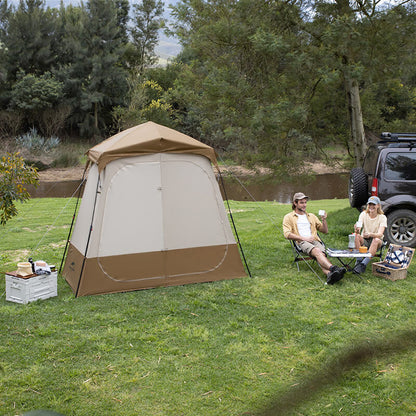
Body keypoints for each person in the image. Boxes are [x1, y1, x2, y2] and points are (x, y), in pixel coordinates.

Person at [283, 192, 346, 285]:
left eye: (305, 202)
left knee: (320, 255)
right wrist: (304, 238)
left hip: (315, 240)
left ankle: (330, 274)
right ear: (295, 203)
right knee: (317, 251)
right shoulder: (288, 217)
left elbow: (325, 231)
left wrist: (324, 220)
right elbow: (287, 234)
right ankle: (334, 268)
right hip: (302, 242)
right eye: (301, 203)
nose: (304, 205)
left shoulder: (311, 216)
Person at [353, 196, 387, 274]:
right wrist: (357, 229)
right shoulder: (363, 214)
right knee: (356, 235)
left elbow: (380, 234)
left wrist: (371, 234)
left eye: (373, 204)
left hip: (376, 240)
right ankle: (358, 260)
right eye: (369, 204)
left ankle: (363, 264)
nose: (371, 206)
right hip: (365, 239)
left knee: (376, 240)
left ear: (378, 205)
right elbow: (359, 229)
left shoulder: (382, 217)